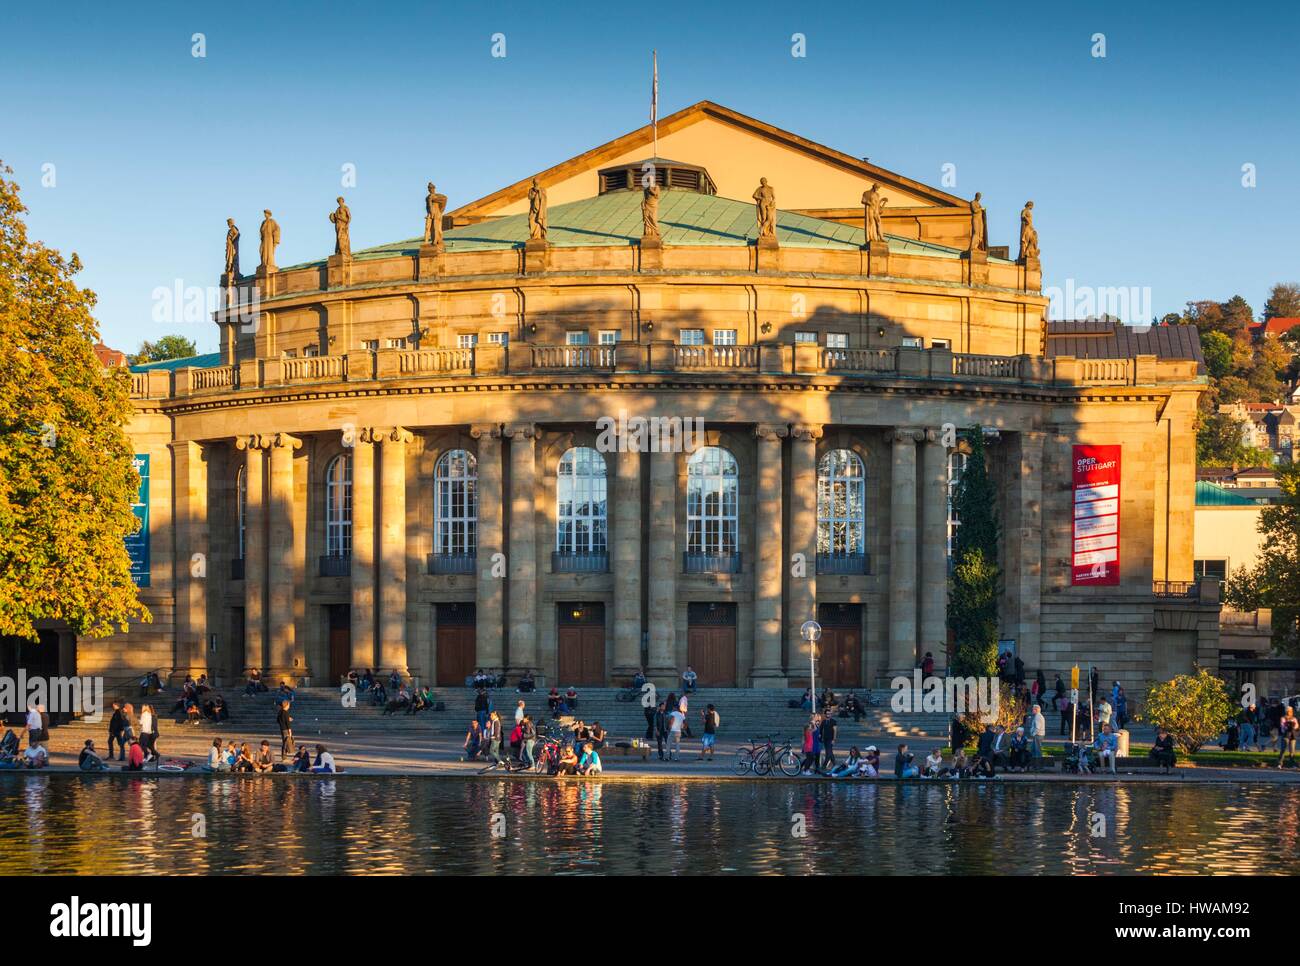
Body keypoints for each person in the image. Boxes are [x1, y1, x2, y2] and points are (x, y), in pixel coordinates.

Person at [1028, 703, 1046, 770]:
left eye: (1033, 709)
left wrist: (1033, 734)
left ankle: (1039, 766)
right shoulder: (1038, 716)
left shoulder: (1038, 717)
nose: (1032, 710)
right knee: (1033, 749)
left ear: (1036, 710)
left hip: (1038, 735)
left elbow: (1037, 728)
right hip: (1038, 735)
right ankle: (1034, 764)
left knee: (1037, 750)